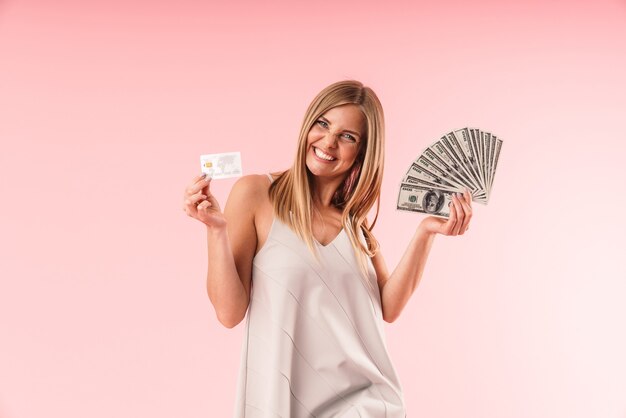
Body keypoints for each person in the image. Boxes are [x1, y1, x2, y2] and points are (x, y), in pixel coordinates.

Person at [182, 80, 473, 417]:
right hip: (282, 403)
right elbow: (229, 313)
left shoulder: (355, 225)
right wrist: (215, 231)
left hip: (366, 405)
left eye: (347, 136)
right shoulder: (256, 194)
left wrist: (426, 233)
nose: (328, 142)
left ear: (362, 152)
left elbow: (388, 308)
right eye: (323, 124)